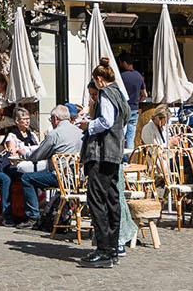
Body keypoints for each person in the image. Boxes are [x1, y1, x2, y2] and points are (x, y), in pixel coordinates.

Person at [76, 58, 131, 268]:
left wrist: (87, 125)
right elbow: (122, 123)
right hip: (114, 153)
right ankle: (113, 247)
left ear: (99, 80)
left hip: (101, 153)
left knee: (97, 200)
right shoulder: (121, 95)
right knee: (111, 200)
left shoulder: (106, 93)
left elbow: (106, 121)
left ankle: (104, 250)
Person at [17, 104, 83, 226]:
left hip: (60, 177)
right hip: (77, 177)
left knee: (27, 178)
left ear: (55, 118)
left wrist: (24, 154)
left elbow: (38, 156)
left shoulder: (55, 134)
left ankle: (33, 216)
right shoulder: (80, 132)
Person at [118, 55, 146, 154]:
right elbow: (144, 94)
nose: (120, 64)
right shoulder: (139, 76)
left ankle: (123, 159)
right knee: (131, 136)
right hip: (134, 108)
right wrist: (138, 101)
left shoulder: (121, 77)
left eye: (121, 62)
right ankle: (130, 159)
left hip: (124, 109)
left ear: (125, 63)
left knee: (121, 135)